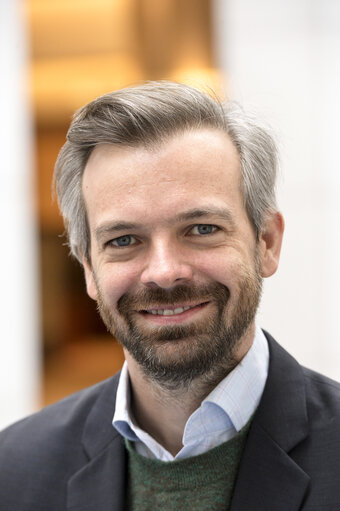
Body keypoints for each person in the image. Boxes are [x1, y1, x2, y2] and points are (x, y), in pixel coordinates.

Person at [0, 81, 339, 511]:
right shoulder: (13, 469)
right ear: (89, 267)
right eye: (123, 240)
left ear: (267, 243)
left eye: (201, 229)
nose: (163, 273)